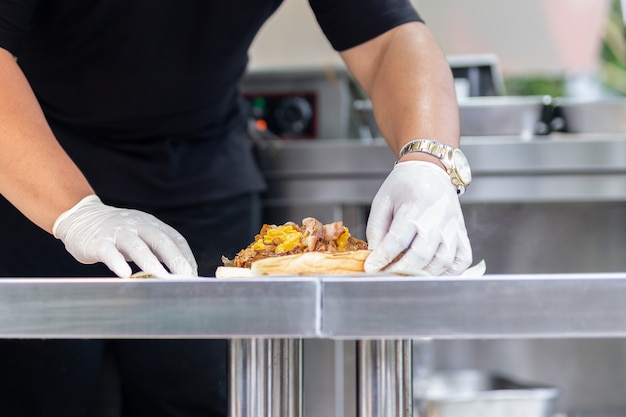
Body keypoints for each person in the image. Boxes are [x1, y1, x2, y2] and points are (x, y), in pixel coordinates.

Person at [0, 0, 472, 416]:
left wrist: (428, 161)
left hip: (201, 178)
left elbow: (389, 37)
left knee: (197, 396)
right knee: (38, 393)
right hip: (30, 178)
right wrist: (77, 212)